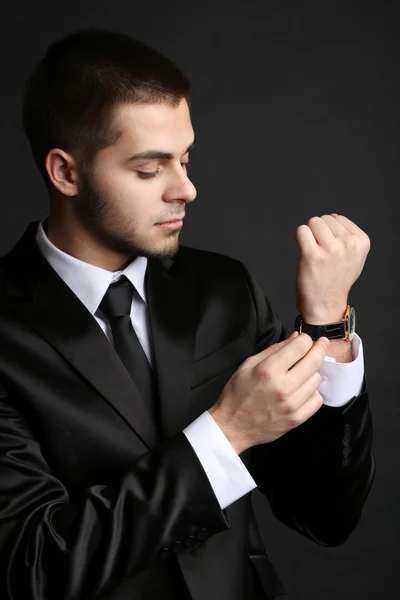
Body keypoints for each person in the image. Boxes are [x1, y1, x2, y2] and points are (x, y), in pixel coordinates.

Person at [0, 28, 374, 600]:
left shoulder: (225, 291)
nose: (187, 188)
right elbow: (31, 567)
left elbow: (324, 515)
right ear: (66, 173)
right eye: (150, 170)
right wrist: (226, 433)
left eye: (186, 158)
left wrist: (326, 324)